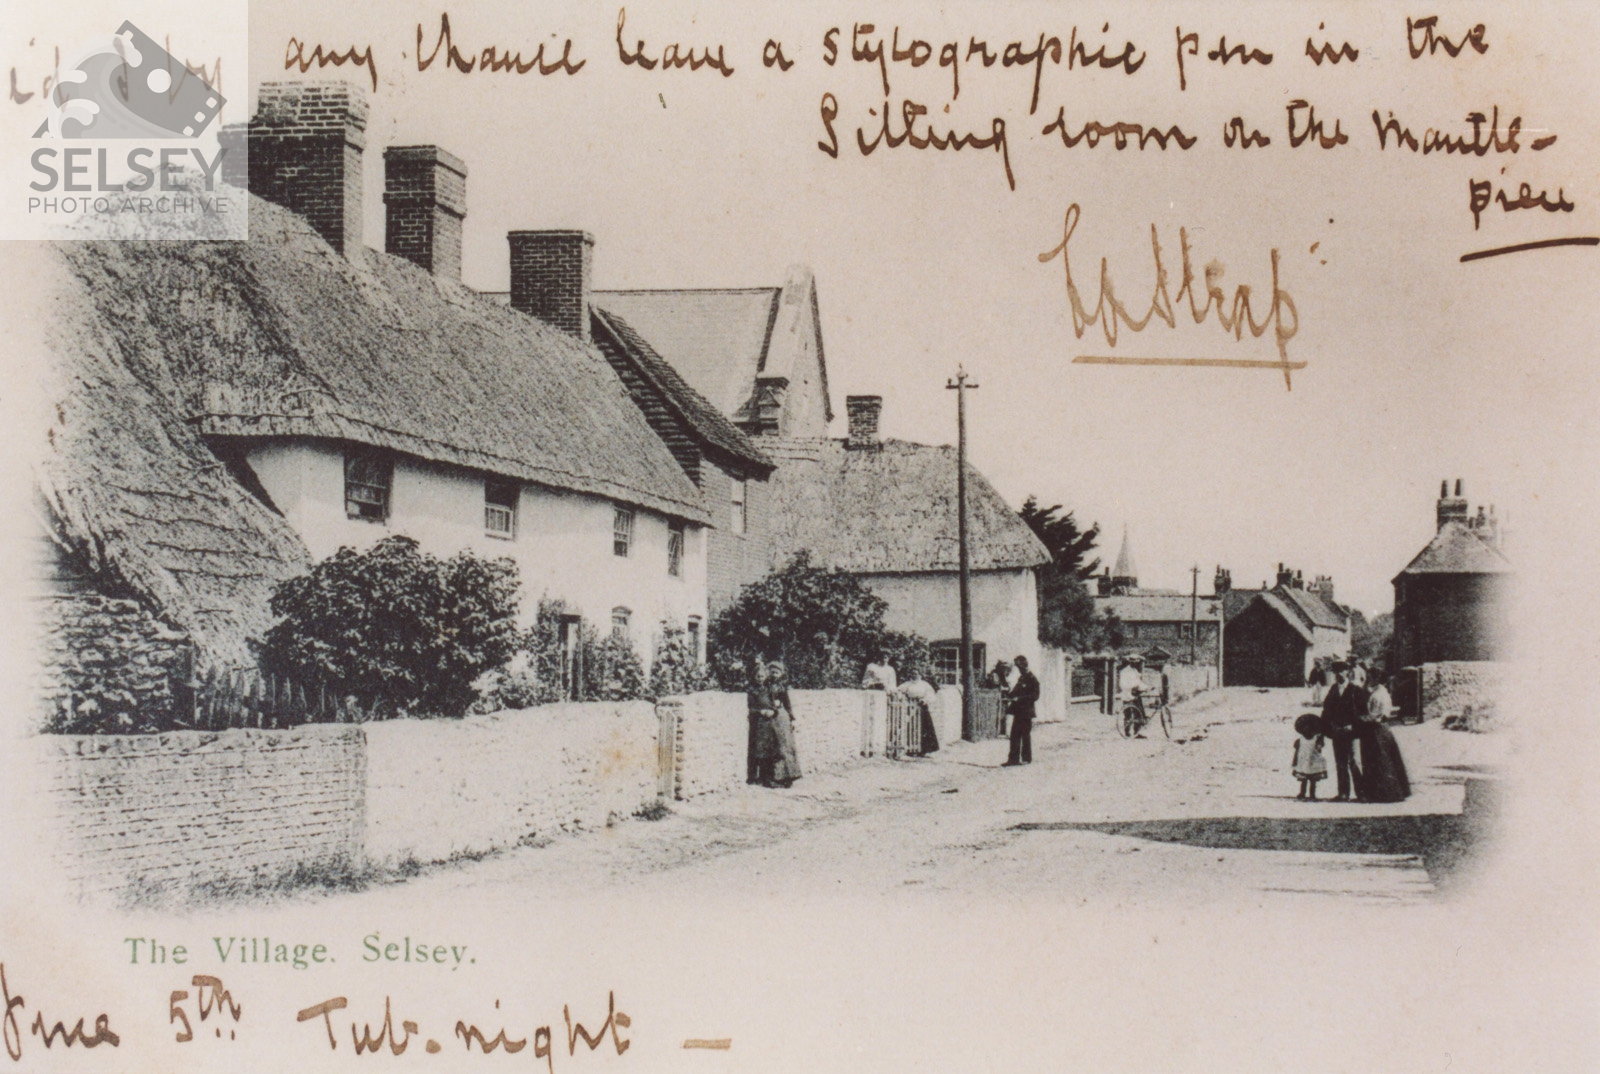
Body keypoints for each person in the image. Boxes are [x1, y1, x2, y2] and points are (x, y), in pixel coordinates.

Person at [1320, 661, 1368, 801]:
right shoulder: (1333, 689)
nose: (1339, 675)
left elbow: (1363, 712)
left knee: (1354, 761)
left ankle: (1361, 794)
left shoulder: (1356, 690)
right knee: (1340, 763)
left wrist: (1353, 726)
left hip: (1352, 732)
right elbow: (1327, 711)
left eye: (1341, 671)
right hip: (1337, 731)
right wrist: (1327, 728)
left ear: (1348, 673)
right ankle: (1343, 793)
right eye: (1336, 672)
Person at [749, 661, 802, 788]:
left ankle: (787, 776)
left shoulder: (781, 687)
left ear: (781, 674)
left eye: (776, 673)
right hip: (771, 719)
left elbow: (787, 704)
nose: (774, 675)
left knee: (784, 746)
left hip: (781, 718)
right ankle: (773, 777)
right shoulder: (765, 685)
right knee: (773, 747)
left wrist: (791, 718)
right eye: (771, 672)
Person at [1354, 696, 1410, 802]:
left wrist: (1363, 718)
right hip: (1377, 729)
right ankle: (1377, 793)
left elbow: (1378, 716)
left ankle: (1386, 793)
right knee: (1378, 761)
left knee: (1382, 761)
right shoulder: (1374, 692)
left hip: (1378, 729)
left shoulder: (1380, 694)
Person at [1003, 654, 1040, 766]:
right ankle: (1013, 759)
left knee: (1025, 735)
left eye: (1019, 667)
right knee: (1014, 735)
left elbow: (1035, 696)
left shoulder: (1032, 679)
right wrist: (1008, 694)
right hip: (1018, 712)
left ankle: (1026, 758)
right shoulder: (1022, 678)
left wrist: (1019, 698)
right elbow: (1015, 691)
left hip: (1026, 712)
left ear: (1024, 666)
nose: (1019, 670)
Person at [898, 672, 939, 755]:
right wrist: (901, 697)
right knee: (911, 726)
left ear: (921, 675)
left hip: (922, 707)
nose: (915, 675)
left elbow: (931, 695)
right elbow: (898, 691)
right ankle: (910, 748)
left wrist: (925, 700)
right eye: (913, 674)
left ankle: (926, 750)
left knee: (925, 727)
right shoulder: (907, 684)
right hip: (910, 706)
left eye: (917, 674)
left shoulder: (925, 685)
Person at [1291, 713, 1329, 801]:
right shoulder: (1300, 740)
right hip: (1304, 762)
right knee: (1304, 780)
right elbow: (1297, 751)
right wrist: (1295, 761)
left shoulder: (1316, 739)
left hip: (1313, 762)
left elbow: (1320, 747)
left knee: (1312, 780)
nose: (1307, 730)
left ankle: (1312, 794)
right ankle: (1303, 793)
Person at [1118, 654, 1147, 736]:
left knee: (1138, 713)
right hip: (1127, 694)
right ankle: (1127, 733)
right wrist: (1133, 686)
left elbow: (1139, 682)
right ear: (1130, 662)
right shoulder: (1124, 672)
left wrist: (1146, 687)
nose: (1136, 664)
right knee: (1128, 714)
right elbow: (1122, 684)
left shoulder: (1134, 671)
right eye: (1134, 662)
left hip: (1135, 694)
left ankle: (1137, 732)